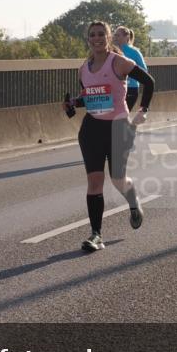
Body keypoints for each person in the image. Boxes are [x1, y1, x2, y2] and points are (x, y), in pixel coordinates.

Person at [65, 21, 155, 253]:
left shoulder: (120, 62)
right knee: (95, 182)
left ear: (108, 37)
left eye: (101, 34)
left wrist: (143, 110)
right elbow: (88, 97)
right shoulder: (83, 68)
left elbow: (149, 82)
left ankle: (134, 203)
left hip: (118, 128)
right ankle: (96, 235)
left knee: (118, 179)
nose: (96, 38)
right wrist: (73, 103)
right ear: (88, 39)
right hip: (91, 129)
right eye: (92, 35)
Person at [112, 25, 149, 112]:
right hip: (115, 89)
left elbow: (144, 70)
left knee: (122, 115)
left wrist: (130, 72)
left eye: (118, 35)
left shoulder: (134, 52)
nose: (115, 37)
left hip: (131, 88)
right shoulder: (112, 52)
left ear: (127, 37)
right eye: (115, 35)